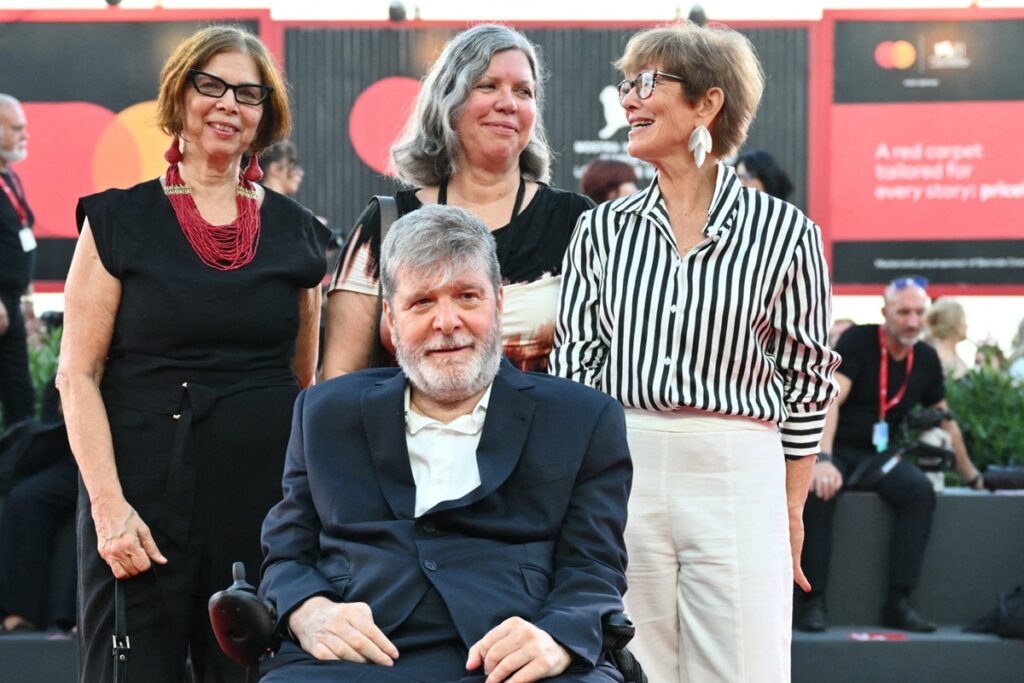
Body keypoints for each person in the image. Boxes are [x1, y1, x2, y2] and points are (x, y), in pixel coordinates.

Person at [550, 23, 839, 683]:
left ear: (708, 103)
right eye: (627, 83)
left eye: (647, 82)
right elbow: (577, 371)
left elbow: (805, 379)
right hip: (623, 465)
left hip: (740, 470)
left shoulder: (786, 232)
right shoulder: (600, 229)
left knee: (744, 665)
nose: (628, 98)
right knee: (630, 662)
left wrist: (792, 507)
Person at [57, 25, 329, 683]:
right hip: (138, 508)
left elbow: (302, 379)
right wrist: (108, 508)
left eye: (248, 93)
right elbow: (77, 374)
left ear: (265, 114)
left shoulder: (299, 234)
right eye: (211, 85)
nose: (228, 104)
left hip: (259, 511)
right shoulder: (117, 221)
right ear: (179, 96)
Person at [259, 205, 631, 683]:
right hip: (357, 660)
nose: (447, 321)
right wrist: (308, 610)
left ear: (499, 302)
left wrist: (557, 637)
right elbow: (286, 552)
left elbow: (594, 566)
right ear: (390, 319)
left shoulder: (582, 418)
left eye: (467, 296)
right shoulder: (325, 414)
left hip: (516, 659)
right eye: (422, 302)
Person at [322, 24, 594, 379]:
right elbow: (340, 376)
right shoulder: (387, 222)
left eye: (524, 91)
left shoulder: (577, 222)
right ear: (448, 102)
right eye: (488, 86)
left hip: (547, 416)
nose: (508, 103)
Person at [796, 278, 985, 634]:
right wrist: (823, 460)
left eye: (919, 312)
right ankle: (812, 601)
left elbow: (944, 419)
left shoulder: (925, 357)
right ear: (885, 313)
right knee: (817, 493)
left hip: (878, 455)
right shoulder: (859, 340)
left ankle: (898, 601)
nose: (912, 321)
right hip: (839, 446)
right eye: (903, 312)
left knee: (919, 491)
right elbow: (831, 401)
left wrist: (972, 475)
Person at [0, 94, 35, 430]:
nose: (25, 135)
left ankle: (18, 458)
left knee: (20, 397)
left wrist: (27, 299)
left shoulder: (9, 176)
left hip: (11, 301)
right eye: (16, 129)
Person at [924, 298, 969, 379]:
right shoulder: (937, 359)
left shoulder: (953, 357)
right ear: (954, 324)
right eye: (963, 320)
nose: (966, 326)